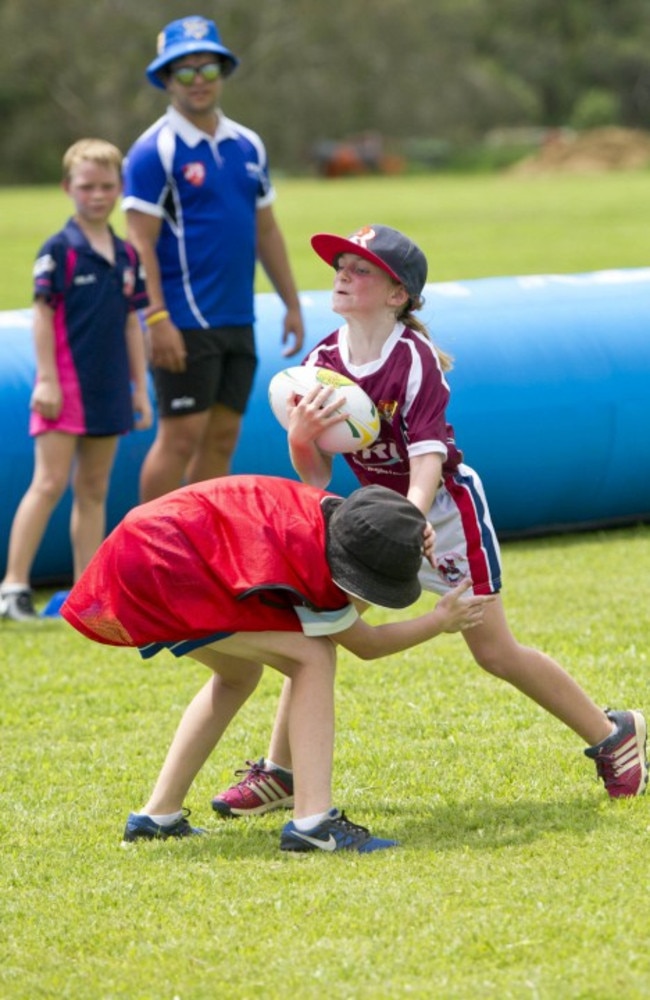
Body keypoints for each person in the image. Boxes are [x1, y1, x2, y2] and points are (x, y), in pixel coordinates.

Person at [211, 223, 648, 817]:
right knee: (315, 626)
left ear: (399, 295)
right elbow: (313, 476)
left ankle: (612, 733)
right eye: (340, 264)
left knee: (494, 653)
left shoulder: (413, 360)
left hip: (440, 512)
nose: (342, 273)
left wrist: (410, 521)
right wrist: (301, 438)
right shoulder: (322, 361)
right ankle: (282, 773)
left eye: (361, 268)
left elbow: (428, 461)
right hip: (370, 517)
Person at [60, 473, 493, 854]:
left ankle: (156, 817)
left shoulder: (331, 517)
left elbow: (345, 602)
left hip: (142, 546)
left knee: (238, 674)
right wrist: (439, 621)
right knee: (313, 656)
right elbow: (366, 643)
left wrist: (404, 533)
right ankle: (314, 824)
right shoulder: (310, 557)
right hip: (164, 559)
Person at [122, 15, 305, 503]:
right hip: (181, 320)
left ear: (223, 72)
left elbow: (266, 227)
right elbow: (138, 242)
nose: (198, 80)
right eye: (184, 71)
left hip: (237, 316)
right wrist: (155, 317)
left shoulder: (249, 144)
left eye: (208, 68)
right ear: (166, 79)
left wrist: (291, 302)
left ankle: (197, 548)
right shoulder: (152, 151)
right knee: (179, 437)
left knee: (222, 437)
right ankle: (150, 554)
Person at [0, 139, 152, 623]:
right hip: (63, 389)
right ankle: (14, 587)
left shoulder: (127, 255)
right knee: (47, 483)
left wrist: (140, 387)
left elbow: (133, 323)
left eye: (108, 186)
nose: (97, 195)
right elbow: (42, 318)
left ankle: (87, 590)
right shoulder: (59, 251)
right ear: (69, 188)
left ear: (120, 189)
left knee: (93, 489)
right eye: (87, 186)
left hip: (109, 390)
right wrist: (45, 379)